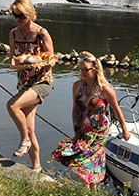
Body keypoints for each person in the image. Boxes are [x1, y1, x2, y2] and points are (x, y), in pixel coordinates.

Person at [52, 52, 130, 188]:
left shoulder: (105, 89)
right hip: (81, 130)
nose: (83, 72)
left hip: (99, 132)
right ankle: (91, 191)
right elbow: (75, 108)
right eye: (81, 69)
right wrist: (75, 127)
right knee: (82, 160)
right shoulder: (77, 86)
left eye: (86, 69)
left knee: (85, 161)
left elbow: (117, 111)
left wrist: (124, 130)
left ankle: (87, 192)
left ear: (95, 70)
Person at [6, 0, 55, 171]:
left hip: (42, 82)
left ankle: (24, 140)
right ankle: (37, 167)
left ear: (30, 14)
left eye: (21, 16)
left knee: (12, 106)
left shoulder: (42, 33)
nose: (18, 19)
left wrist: (37, 63)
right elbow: (14, 57)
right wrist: (18, 63)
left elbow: (52, 59)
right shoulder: (13, 33)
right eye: (15, 15)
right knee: (29, 126)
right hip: (24, 84)